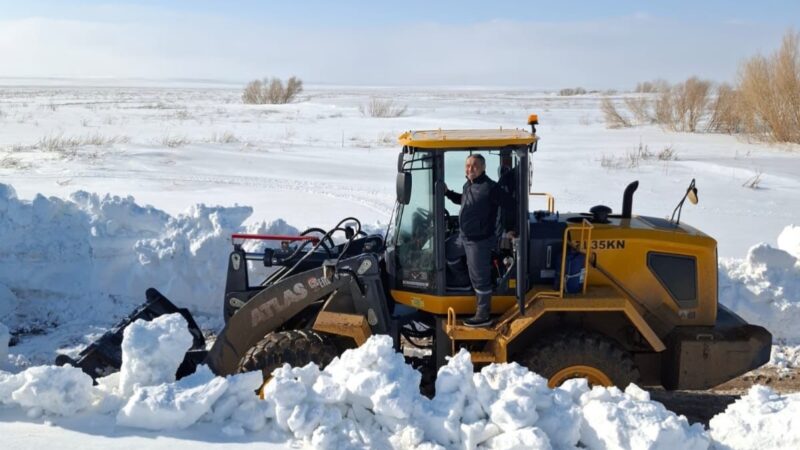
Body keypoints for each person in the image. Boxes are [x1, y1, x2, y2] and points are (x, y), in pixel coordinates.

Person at [445, 154, 512, 327]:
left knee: (480, 277)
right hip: (463, 237)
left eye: (475, 165)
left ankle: (483, 315)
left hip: (479, 241)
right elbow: (465, 201)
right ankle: (463, 280)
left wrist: (512, 229)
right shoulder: (469, 185)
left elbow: (511, 205)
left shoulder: (490, 187)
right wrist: (447, 193)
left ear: (483, 168)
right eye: (467, 165)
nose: (470, 168)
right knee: (446, 251)